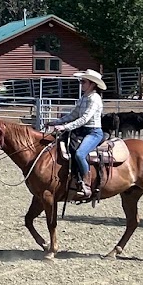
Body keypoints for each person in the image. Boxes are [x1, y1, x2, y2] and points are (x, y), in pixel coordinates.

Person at [46, 69, 106, 199]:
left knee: (80, 154)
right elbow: (73, 114)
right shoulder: (84, 97)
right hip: (81, 131)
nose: (81, 84)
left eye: (83, 81)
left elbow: (84, 118)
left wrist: (64, 127)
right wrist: (55, 122)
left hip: (93, 132)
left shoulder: (95, 99)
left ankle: (86, 182)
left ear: (92, 84)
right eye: (81, 81)